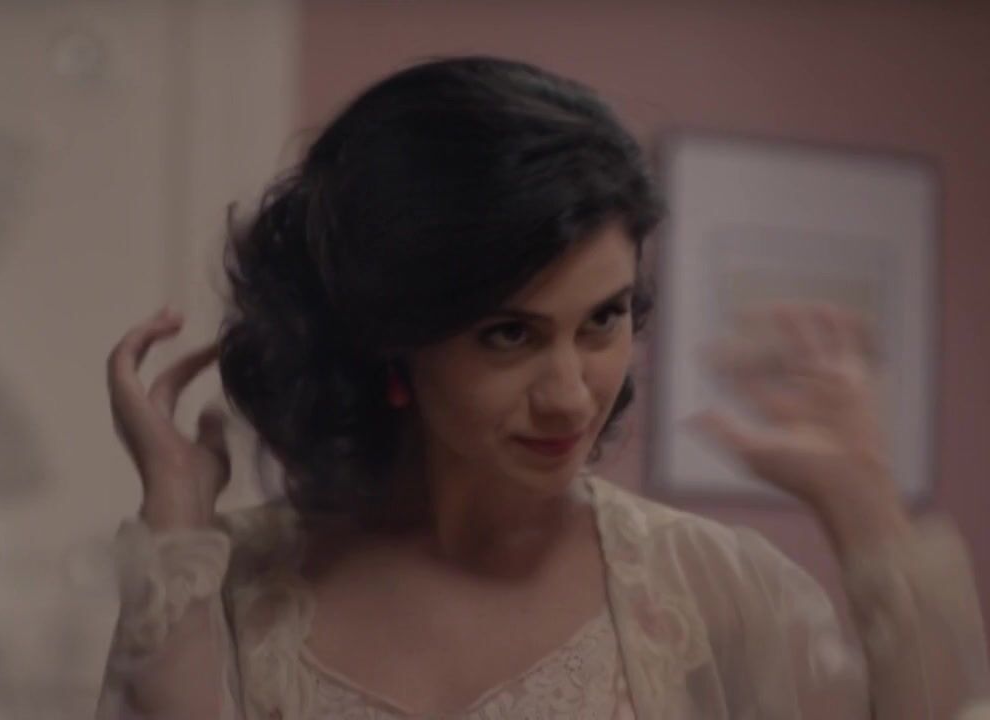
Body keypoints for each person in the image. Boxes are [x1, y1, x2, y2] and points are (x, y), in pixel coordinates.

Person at [95, 57, 989, 719]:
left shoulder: (710, 588)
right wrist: (174, 517)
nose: (570, 395)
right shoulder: (222, 582)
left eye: (602, 320)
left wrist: (864, 502)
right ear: (394, 335)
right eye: (510, 335)